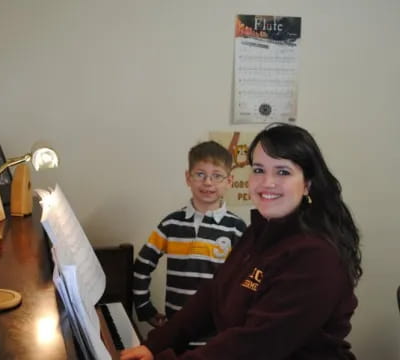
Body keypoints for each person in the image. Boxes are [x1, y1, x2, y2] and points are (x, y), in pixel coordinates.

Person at [122, 123, 362, 360]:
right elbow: (213, 295)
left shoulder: (315, 256)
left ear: (307, 184)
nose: (267, 182)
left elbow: (254, 346)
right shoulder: (259, 232)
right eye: (258, 169)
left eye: (283, 171)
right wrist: (154, 345)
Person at [133, 140, 247, 347]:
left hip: (217, 336)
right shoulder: (171, 224)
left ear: (229, 181)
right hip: (176, 333)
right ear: (188, 178)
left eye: (217, 176)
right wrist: (144, 308)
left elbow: (248, 280)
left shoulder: (237, 228)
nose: (208, 183)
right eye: (200, 174)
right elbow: (141, 266)